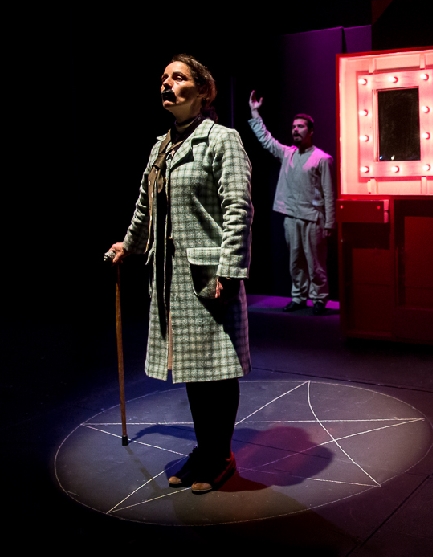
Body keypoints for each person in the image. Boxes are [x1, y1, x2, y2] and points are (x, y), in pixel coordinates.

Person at [107, 54, 253, 492]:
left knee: (216, 370)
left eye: (178, 77)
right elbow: (145, 206)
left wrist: (230, 269)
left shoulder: (222, 139)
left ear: (203, 91)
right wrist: (128, 244)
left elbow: (238, 207)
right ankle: (206, 449)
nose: (167, 84)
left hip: (209, 275)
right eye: (164, 78)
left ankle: (220, 454)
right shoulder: (161, 147)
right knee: (192, 368)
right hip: (172, 279)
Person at [247, 89, 335, 315]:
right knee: (295, 262)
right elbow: (266, 140)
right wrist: (255, 113)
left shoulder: (322, 158)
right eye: (294, 126)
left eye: (301, 126)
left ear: (310, 131)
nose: (296, 129)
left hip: (313, 218)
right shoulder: (287, 153)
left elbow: (328, 193)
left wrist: (329, 223)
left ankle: (319, 299)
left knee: (315, 263)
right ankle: (298, 297)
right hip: (291, 216)